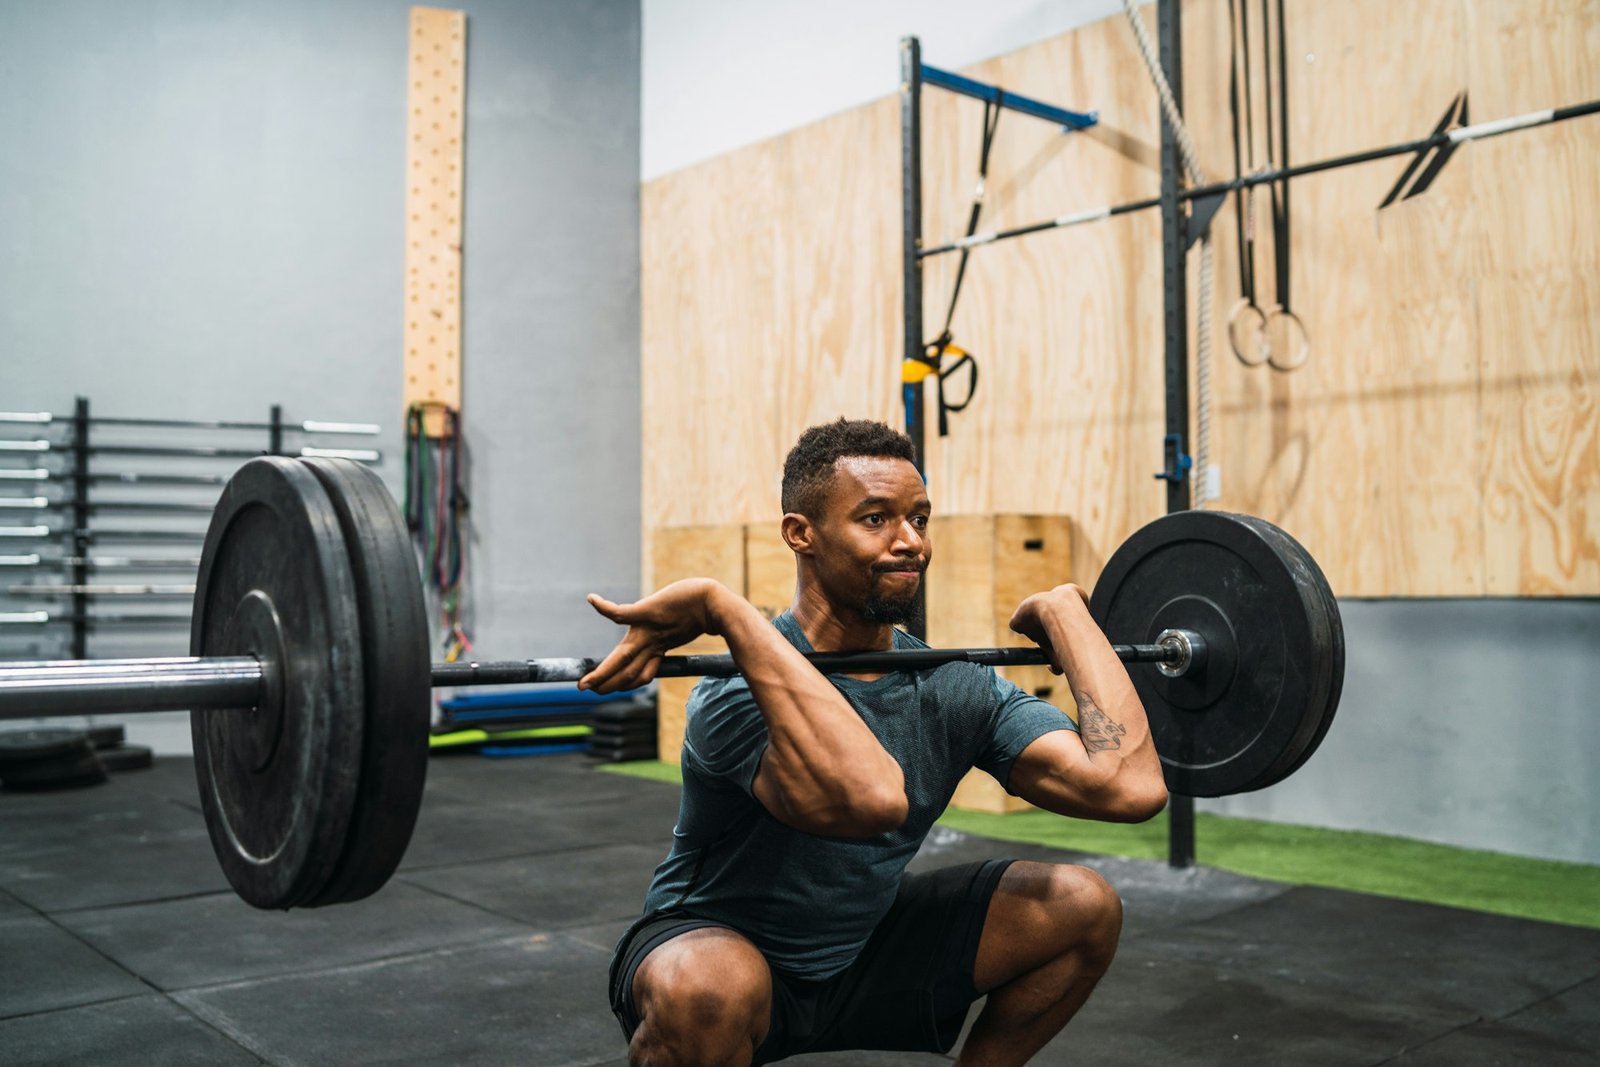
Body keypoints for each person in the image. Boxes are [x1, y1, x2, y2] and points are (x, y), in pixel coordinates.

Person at [580, 418, 1168, 1067]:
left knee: (1083, 906)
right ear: (801, 533)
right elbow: (868, 801)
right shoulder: (733, 694)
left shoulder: (950, 685)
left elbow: (1130, 787)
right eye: (877, 519)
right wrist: (726, 608)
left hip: (863, 949)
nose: (910, 541)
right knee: (708, 988)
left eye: (920, 517)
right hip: (719, 949)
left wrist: (1068, 615)